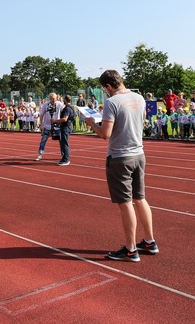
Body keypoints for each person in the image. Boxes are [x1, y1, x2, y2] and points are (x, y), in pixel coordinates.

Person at [84, 70, 157, 262]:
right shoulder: (139, 97)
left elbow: (105, 134)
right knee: (140, 199)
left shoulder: (111, 102)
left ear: (108, 86)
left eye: (104, 89)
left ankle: (131, 250)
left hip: (120, 157)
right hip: (139, 154)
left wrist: (92, 123)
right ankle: (150, 241)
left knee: (125, 204)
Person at [34, 93, 64, 161]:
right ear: (49, 98)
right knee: (43, 140)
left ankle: (63, 155)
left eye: (55, 99)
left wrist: (60, 121)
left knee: (61, 140)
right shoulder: (45, 105)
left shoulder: (60, 104)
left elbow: (64, 113)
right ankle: (40, 154)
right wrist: (41, 124)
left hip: (57, 126)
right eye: (52, 99)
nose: (53, 100)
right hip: (47, 126)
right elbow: (41, 115)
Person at [51, 94, 75, 166]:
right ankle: (64, 157)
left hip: (65, 127)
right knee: (63, 143)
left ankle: (66, 159)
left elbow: (65, 119)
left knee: (64, 144)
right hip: (67, 126)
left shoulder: (67, 108)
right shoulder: (71, 108)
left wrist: (55, 121)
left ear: (65, 100)